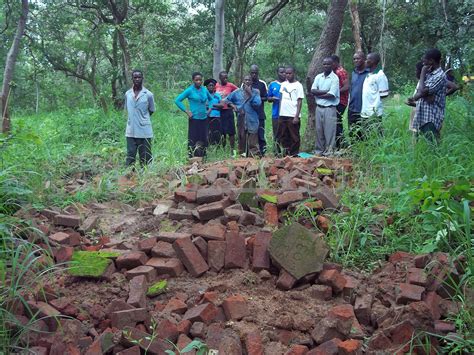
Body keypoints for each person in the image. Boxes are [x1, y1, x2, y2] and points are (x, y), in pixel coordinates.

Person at [409, 48, 447, 142]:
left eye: (424, 59)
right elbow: (419, 95)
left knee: (433, 148)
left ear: (431, 61)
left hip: (431, 118)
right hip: (423, 116)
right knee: (425, 148)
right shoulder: (430, 74)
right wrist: (421, 95)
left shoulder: (440, 76)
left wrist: (422, 73)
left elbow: (420, 93)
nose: (423, 62)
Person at [175, 72, 213, 157]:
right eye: (196, 80)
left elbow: (211, 100)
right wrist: (187, 111)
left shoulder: (204, 89)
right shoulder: (189, 90)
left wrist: (210, 109)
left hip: (204, 118)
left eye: (200, 80)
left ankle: (203, 157)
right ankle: (192, 157)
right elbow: (177, 100)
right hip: (194, 119)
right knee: (193, 139)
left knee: (203, 138)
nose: (199, 82)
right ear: (193, 80)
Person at [223, 75, 261, 157]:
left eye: (249, 80)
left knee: (253, 139)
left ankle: (254, 158)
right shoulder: (237, 92)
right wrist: (233, 106)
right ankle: (242, 157)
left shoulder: (256, 92)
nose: (247, 82)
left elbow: (258, 104)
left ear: (251, 82)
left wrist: (250, 95)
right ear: (243, 81)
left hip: (252, 119)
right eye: (246, 80)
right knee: (241, 138)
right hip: (241, 118)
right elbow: (226, 100)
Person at [124, 69, 156, 167]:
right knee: (130, 155)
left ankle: (146, 178)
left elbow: (151, 110)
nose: (137, 79)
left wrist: (142, 119)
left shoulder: (148, 94)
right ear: (132, 79)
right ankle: (129, 176)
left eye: (139, 77)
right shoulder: (128, 94)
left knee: (145, 156)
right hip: (131, 130)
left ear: (142, 78)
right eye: (135, 77)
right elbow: (128, 109)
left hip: (144, 130)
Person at [311, 57, 340, 156]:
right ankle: (319, 151)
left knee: (330, 132)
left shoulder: (335, 78)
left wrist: (318, 94)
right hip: (319, 108)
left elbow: (332, 94)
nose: (326, 66)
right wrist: (326, 91)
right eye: (324, 64)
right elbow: (313, 90)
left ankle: (329, 152)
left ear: (332, 65)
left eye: (328, 64)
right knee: (319, 131)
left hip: (329, 108)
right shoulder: (318, 77)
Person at [277, 66, 304, 156]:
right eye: (286, 73)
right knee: (284, 135)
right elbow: (281, 98)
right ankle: (286, 154)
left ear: (293, 73)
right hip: (283, 114)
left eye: (289, 73)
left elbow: (300, 101)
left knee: (294, 136)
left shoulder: (298, 85)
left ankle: (294, 154)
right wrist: (280, 112)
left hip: (293, 115)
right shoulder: (283, 84)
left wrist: (296, 116)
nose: (287, 75)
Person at [360, 53, 389, 132]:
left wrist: (375, 106)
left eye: (367, 59)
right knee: (366, 135)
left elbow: (384, 95)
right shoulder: (368, 74)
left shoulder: (380, 75)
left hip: (374, 113)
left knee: (376, 134)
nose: (365, 61)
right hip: (365, 111)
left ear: (373, 61)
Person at [348, 51, 369, 140]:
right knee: (352, 132)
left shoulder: (369, 74)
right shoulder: (353, 73)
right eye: (354, 59)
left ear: (364, 60)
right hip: (352, 108)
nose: (356, 60)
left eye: (358, 58)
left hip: (364, 108)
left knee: (364, 133)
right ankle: (353, 151)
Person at [215, 71, 238, 153]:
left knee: (231, 131)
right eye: (224, 77)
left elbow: (238, 92)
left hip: (228, 110)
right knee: (222, 131)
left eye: (226, 77)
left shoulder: (230, 85)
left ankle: (232, 149)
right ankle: (223, 149)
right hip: (219, 111)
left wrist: (233, 103)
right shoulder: (216, 86)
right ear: (220, 78)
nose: (225, 79)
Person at [331, 55, 349, 148]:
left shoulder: (340, 72)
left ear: (335, 62)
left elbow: (346, 87)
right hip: (336, 101)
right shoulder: (334, 72)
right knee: (336, 122)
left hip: (341, 101)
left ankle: (341, 144)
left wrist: (335, 93)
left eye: (331, 63)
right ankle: (339, 144)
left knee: (337, 122)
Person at [249, 64, 268, 155]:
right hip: (249, 114)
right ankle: (251, 153)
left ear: (258, 73)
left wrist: (257, 98)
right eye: (252, 73)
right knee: (251, 134)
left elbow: (266, 97)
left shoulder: (262, 84)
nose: (254, 75)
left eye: (255, 73)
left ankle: (262, 153)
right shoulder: (246, 83)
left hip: (260, 113)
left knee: (261, 134)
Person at [267, 66, 286, 141]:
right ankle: (276, 151)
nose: (283, 74)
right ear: (277, 73)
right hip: (276, 113)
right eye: (281, 72)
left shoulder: (289, 84)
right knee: (276, 133)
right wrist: (273, 99)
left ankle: (286, 151)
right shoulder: (272, 84)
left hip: (287, 113)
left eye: (284, 72)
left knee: (286, 133)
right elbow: (268, 98)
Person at [204, 78, 223, 145]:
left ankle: (217, 147)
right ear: (207, 87)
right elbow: (203, 105)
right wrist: (214, 107)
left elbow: (221, 105)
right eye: (210, 85)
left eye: (212, 85)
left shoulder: (217, 96)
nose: (211, 87)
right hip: (207, 116)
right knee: (208, 133)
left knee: (216, 133)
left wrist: (211, 105)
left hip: (216, 116)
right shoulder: (204, 95)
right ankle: (208, 146)